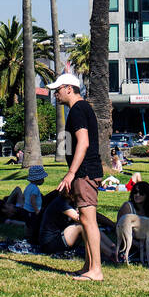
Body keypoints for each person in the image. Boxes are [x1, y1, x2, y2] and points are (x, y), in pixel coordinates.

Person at [49, 73, 104, 281]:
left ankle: (96, 270)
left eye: (58, 89)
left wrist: (71, 173)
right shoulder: (80, 109)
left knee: (89, 221)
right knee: (84, 219)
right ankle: (88, 266)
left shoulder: (78, 110)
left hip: (85, 173)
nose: (56, 94)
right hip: (85, 172)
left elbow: (83, 142)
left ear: (69, 89)